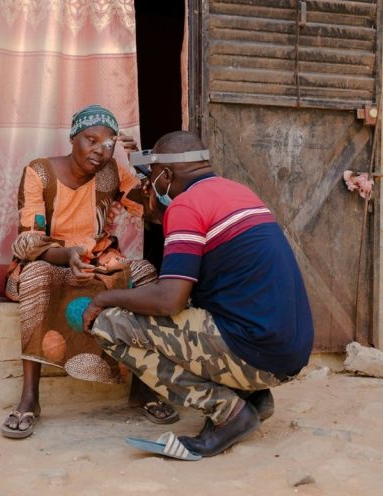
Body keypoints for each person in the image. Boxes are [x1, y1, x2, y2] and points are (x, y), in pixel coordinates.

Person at [81, 130, 314, 458]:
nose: (150, 187)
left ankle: (229, 413)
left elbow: (168, 300)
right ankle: (252, 397)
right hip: (287, 352)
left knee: (110, 323)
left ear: (165, 175)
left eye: (152, 178)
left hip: (256, 350)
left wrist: (103, 298)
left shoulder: (187, 205)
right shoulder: (236, 191)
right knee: (196, 307)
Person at [1, 105, 179, 439]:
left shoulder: (111, 172)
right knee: (36, 276)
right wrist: (66, 254)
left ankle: (142, 387)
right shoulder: (39, 172)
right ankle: (29, 398)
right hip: (52, 261)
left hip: (97, 263)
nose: (100, 149)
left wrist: (139, 161)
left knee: (144, 274)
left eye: (108, 143)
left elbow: (151, 209)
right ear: (73, 138)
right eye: (90, 139)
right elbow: (27, 240)